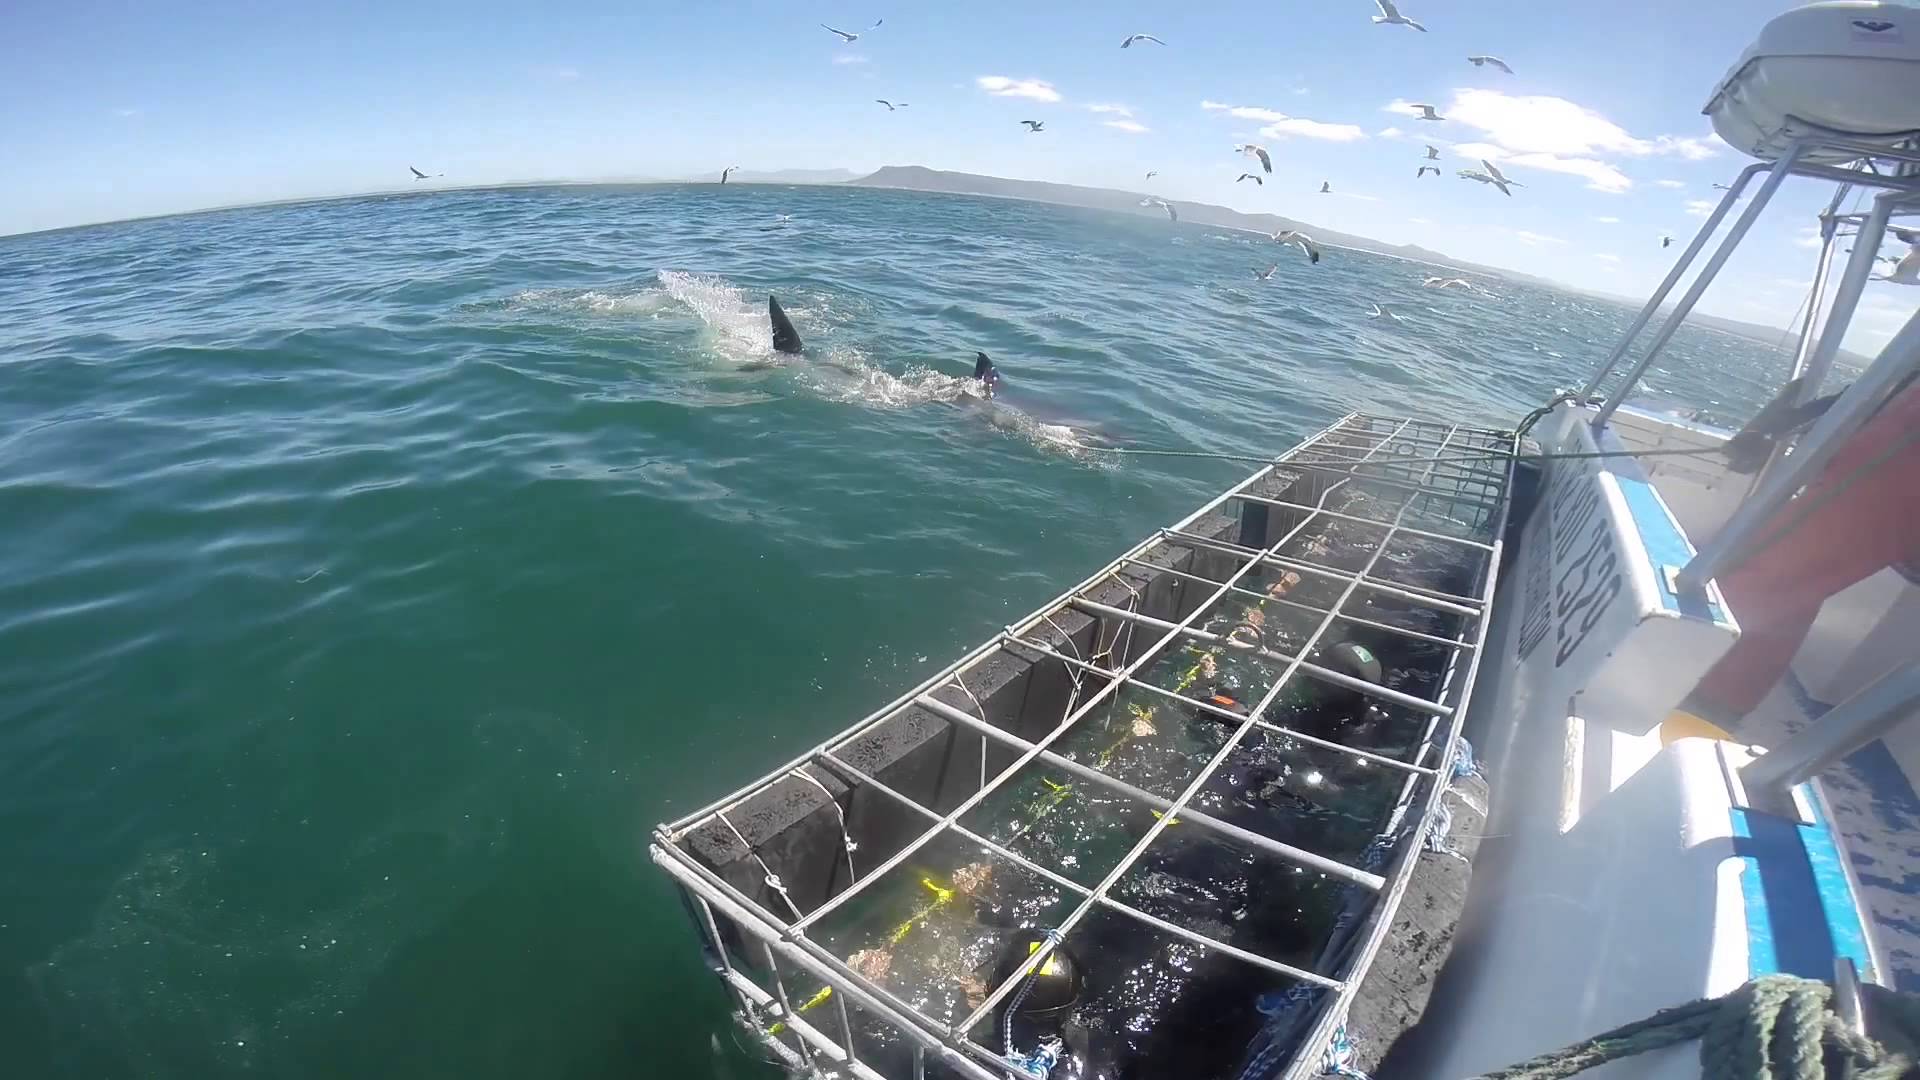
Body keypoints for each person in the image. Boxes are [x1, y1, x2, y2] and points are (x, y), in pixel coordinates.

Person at [1684, 372, 1920, 726]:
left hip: (1881, 480)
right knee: (1774, 574)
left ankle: (1704, 695)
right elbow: (1874, 392)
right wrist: (1783, 423)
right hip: (1867, 465)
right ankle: (1712, 697)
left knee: (1767, 572)